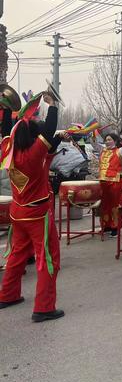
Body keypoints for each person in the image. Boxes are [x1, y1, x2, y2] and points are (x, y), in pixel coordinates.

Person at [0, 93, 64, 322]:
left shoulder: (9, 150)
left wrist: (6, 107)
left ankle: (7, 295)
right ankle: (44, 307)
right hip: (37, 215)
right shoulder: (34, 154)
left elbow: (6, 130)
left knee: (17, 255)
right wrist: (53, 105)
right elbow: (49, 130)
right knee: (48, 259)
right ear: (34, 136)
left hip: (17, 213)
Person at [94, 133, 122, 237]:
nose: (107, 141)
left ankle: (115, 227)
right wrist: (91, 132)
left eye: (109, 139)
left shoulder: (120, 151)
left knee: (115, 206)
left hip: (116, 182)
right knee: (105, 206)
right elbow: (94, 143)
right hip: (103, 182)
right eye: (106, 140)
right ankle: (106, 226)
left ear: (115, 141)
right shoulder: (102, 150)